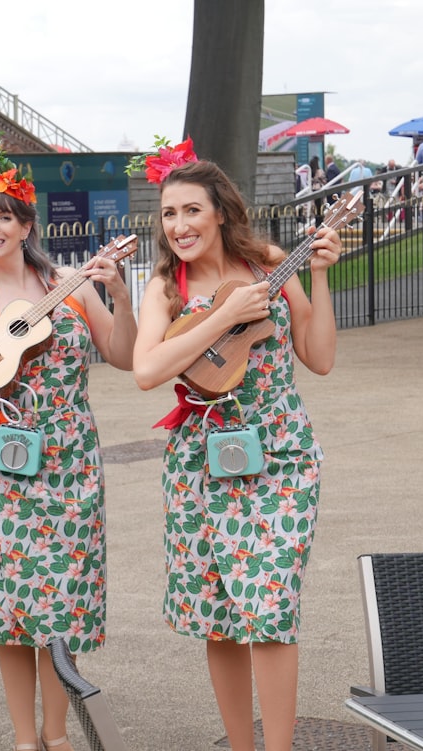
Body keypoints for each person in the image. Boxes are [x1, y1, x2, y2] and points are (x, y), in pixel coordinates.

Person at [0, 135, 138, 751]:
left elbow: (122, 357)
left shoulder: (70, 285)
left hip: (69, 462)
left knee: (58, 605)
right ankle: (26, 740)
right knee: (10, 610)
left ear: (26, 225)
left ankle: (58, 735)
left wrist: (120, 297)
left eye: (5, 215)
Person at [130, 146, 342, 751]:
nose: (179, 226)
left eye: (192, 210)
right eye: (169, 214)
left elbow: (320, 358)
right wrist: (220, 322)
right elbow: (146, 371)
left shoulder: (269, 264)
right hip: (198, 464)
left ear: (221, 212)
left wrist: (320, 277)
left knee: (270, 611)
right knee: (218, 618)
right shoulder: (166, 287)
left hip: (278, 458)